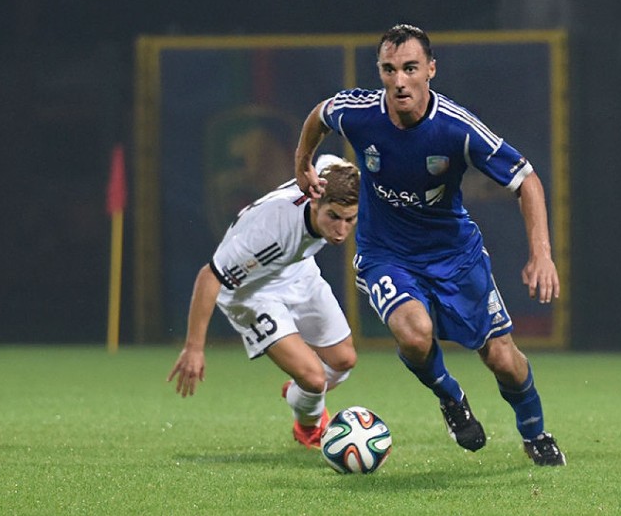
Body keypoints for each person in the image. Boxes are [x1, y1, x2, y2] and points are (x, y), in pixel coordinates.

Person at [294, 24, 566, 466]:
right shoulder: (360, 113)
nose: (399, 80)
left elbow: (528, 180)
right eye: (389, 69)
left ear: (430, 70)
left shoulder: (456, 129)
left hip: (455, 258)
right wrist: (302, 162)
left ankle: (535, 434)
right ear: (380, 71)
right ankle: (451, 398)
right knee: (414, 334)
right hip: (386, 255)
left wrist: (542, 254)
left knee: (503, 359)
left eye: (410, 68)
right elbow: (319, 114)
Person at [167, 155, 361, 449]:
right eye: (333, 217)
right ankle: (308, 428)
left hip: (297, 270)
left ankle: (299, 394)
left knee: (344, 360)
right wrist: (194, 347)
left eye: (350, 220)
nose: (341, 230)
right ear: (314, 203)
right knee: (313, 377)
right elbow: (209, 276)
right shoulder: (271, 234)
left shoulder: (329, 176)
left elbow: (332, 160)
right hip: (252, 293)